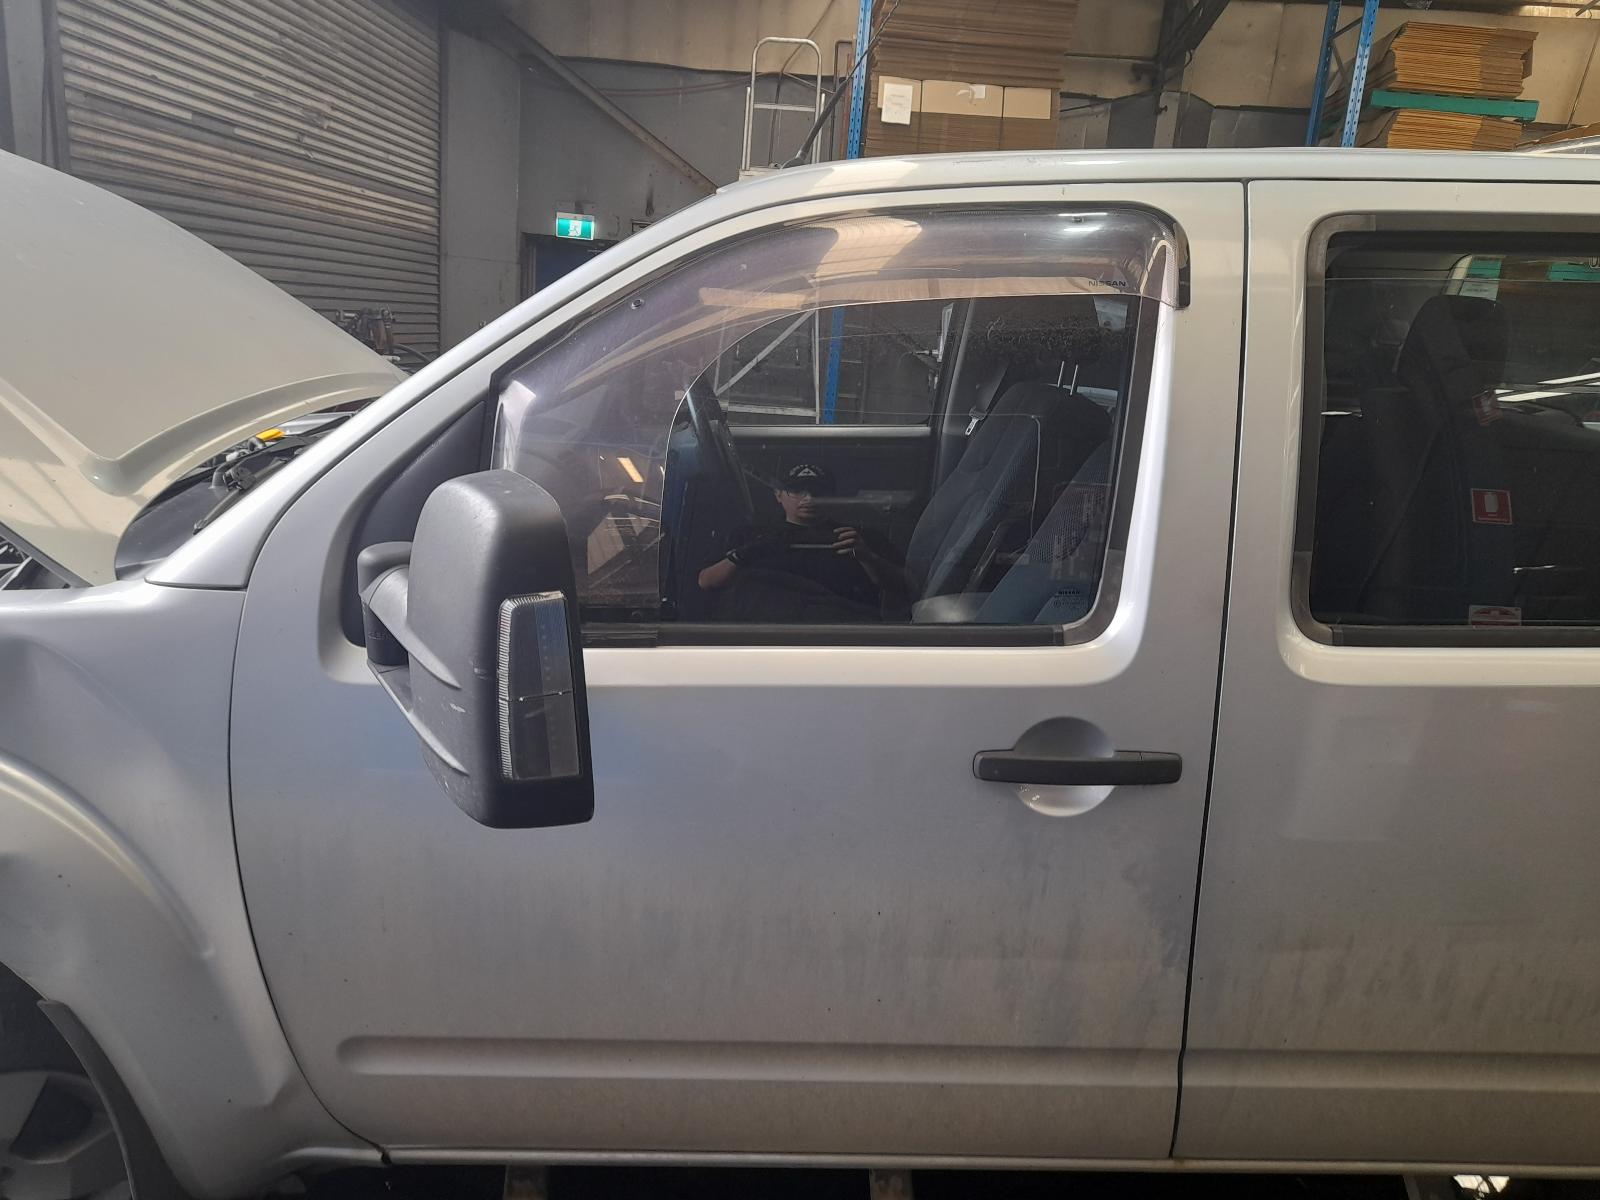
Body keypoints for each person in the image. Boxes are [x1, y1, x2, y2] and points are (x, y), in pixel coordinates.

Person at [697, 463, 904, 613]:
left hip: (844, 640)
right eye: (797, 490)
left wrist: (867, 558)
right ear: (778, 494)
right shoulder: (750, 536)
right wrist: (747, 553)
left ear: (832, 497)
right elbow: (706, 581)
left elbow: (907, 588)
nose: (808, 498)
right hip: (760, 641)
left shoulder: (857, 538)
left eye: (818, 492)